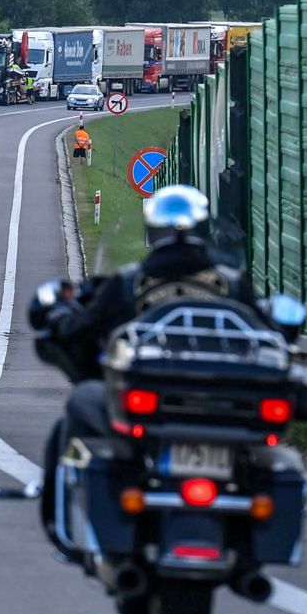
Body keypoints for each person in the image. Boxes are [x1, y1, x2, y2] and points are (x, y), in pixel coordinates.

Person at [35, 184, 257, 551]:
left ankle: (71, 524)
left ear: (153, 231)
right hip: (225, 406)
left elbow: (82, 328)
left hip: (153, 408)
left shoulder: (129, 284)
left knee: (81, 404)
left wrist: (61, 319)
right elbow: (267, 325)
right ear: (204, 230)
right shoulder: (232, 286)